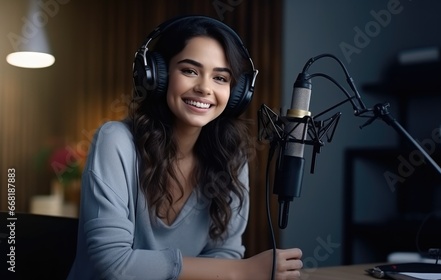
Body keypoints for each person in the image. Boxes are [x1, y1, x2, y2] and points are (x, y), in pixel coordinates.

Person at [67, 15, 303, 280]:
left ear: (237, 94)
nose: (204, 88)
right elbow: (114, 264)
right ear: (158, 75)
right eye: (189, 71)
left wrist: (230, 268)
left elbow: (223, 254)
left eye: (221, 78)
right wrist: (242, 271)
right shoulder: (115, 142)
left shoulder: (232, 157)